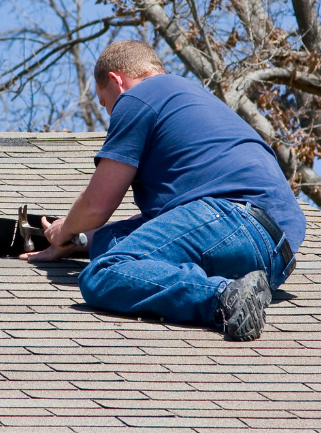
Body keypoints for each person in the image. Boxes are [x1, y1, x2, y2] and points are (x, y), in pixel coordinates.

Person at [22, 40, 305, 341]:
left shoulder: (138, 97)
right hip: (274, 256)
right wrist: (79, 241)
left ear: (117, 81)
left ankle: (224, 296)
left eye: (105, 103)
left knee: (103, 272)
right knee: (110, 244)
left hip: (232, 218)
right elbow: (160, 228)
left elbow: (97, 205)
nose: (110, 114)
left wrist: (65, 229)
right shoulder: (189, 99)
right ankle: (241, 290)